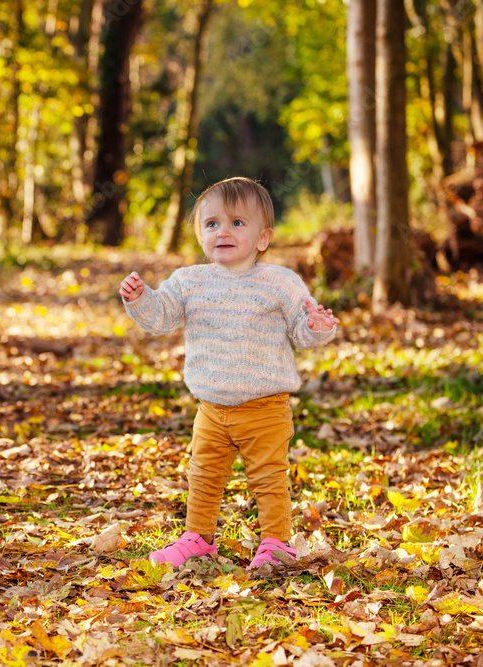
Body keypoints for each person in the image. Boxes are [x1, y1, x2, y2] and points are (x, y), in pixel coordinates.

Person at [119, 177, 340, 569]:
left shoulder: (280, 283)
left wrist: (317, 327)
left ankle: (276, 542)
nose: (223, 231)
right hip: (211, 407)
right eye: (212, 224)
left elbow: (301, 330)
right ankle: (198, 538)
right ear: (200, 234)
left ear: (263, 238)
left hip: (265, 408)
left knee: (268, 478)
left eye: (237, 223)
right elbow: (162, 316)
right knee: (203, 476)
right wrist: (141, 299)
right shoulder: (189, 282)